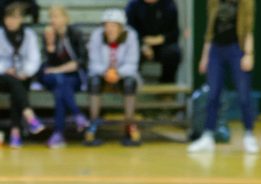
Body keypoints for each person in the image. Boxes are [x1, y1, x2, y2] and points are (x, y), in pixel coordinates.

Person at [188, 0, 257, 154]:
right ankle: (208, 136)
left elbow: (248, 28)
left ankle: (249, 135)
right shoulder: (213, 2)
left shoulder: (246, 3)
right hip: (216, 50)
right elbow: (210, 29)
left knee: (244, 94)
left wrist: (248, 54)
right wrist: (205, 57)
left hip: (236, 49)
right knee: (213, 95)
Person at [0, 2, 42, 148]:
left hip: (21, 76)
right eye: (8, 18)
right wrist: (4, 69)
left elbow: (34, 59)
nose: (11, 21)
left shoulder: (29, 35)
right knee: (14, 82)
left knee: (18, 85)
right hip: (0, 77)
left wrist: (25, 72)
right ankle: (28, 117)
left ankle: (15, 133)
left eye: (15, 18)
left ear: (21, 19)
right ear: (4, 19)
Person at [84, 8, 141, 147]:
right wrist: (106, 72)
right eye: (107, 25)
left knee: (130, 83)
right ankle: (93, 124)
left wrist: (118, 73)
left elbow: (132, 63)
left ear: (121, 27)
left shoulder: (131, 36)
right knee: (94, 82)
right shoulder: (97, 36)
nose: (110, 29)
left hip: (123, 73)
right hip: (102, 73)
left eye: (114, 25)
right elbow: (93, 62)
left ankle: (129, 125)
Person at [39, 4, 86, 149]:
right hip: (53, 78)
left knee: (60, 90)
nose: (53, 20)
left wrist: (58, 70)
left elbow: (80, 62)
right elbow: (46, 65)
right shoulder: (48, 35)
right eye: (51, 17)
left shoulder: (75, 34)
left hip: (72, 77)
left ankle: (59, 134)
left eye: (57, 16)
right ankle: (78, 114)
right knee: (59, 82)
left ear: (66, 18)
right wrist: (50, 45)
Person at [125, 0, 181, 83]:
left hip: (162, 44)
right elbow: (128, 30)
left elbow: (174, 33)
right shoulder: (133, 5)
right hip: (138, 44)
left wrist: (159, 39)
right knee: (130, 51)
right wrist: (143, 45)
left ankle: (166, 86)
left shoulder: (169, 4)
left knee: (173, 52)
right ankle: (132, 83)